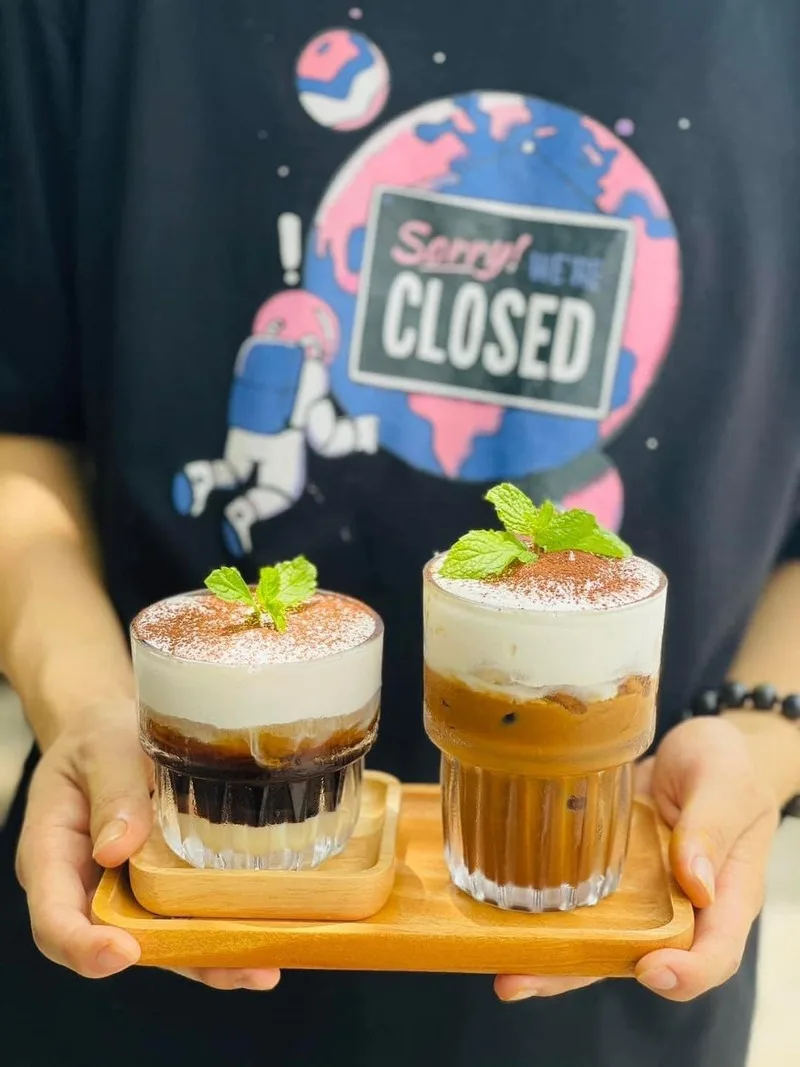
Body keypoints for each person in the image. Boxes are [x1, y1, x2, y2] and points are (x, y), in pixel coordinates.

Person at [1, 1, 800, 1065]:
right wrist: (86, 704)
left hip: (613, 963)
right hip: (141, 926)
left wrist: (762, 734)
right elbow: (21, 432)